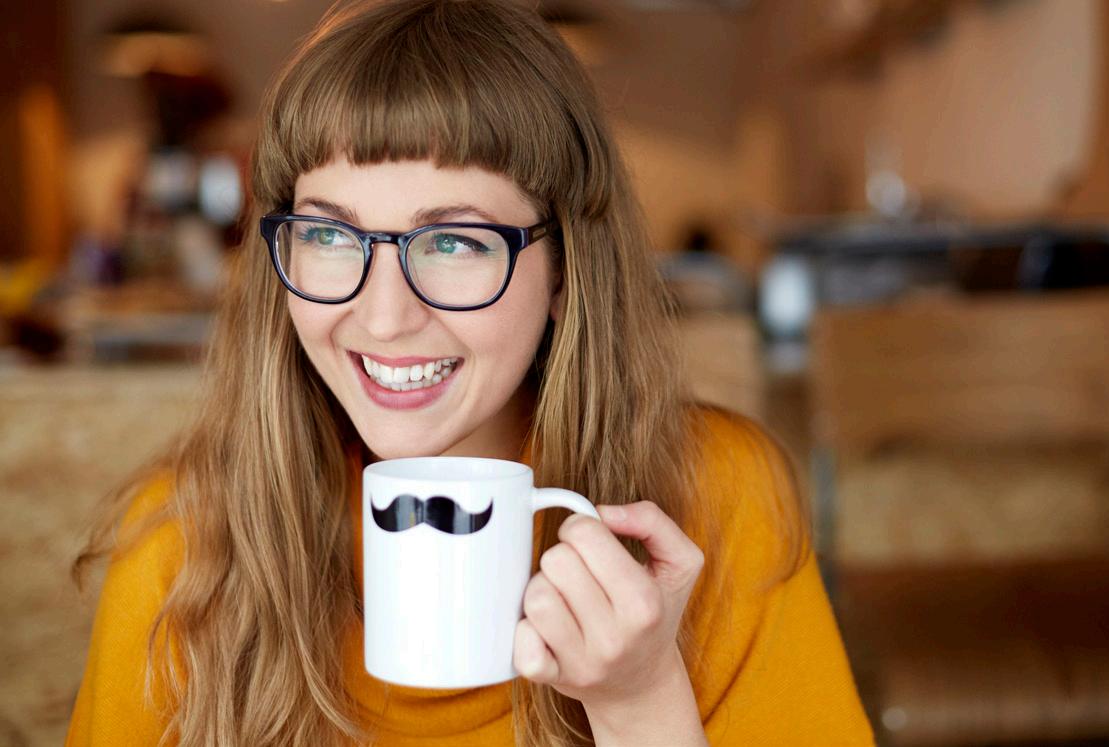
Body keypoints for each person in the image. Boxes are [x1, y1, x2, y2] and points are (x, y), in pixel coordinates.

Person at [67, 1, 873, 744]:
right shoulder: (182, 542)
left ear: (565, 270)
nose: (384, 316)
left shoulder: (720, 498)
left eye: (454, 242)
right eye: (331, 236)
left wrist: (638, 700)